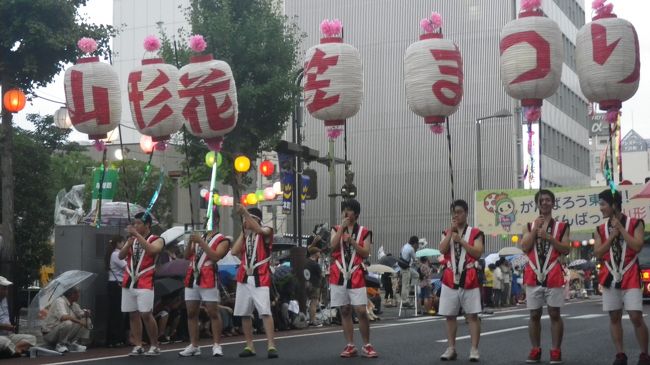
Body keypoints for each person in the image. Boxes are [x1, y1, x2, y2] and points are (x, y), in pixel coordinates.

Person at [594, 189, 650, 365]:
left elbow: (637, 246)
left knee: (635, 316)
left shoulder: (636, 223)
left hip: (630, 274)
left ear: (613, 205)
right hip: (610, 275)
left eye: (603, 204)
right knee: (614, 316)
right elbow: (598, 252)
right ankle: (620, 354)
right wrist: (612, 236)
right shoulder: (600, 229)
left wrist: (621, 230)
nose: (600, 208)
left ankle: (644, 354)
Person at [521, 189, 570, 364]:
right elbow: (524, 247)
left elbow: (566, 248)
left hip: (553, 272)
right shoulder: (529, 225)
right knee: (534, 314)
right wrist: (535, 230)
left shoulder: (561, 226)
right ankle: (535, 349)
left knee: (554, 313)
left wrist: (549, 237)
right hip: (533, 273)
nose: (545, 203)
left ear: (553, 203)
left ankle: (555, 350)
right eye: (541, 200)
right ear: (537, 204)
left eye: (548, 200)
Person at [330, 199, 377, 358]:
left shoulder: (364, 231)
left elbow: (365, 253)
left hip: (356, 272)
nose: (346, 213)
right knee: (344, 310)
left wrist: (351, 241)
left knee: (361, 311)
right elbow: (332, 246)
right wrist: (341, 229)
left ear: (356, 214)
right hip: (339, 272)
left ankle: (367, 344)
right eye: (344, 210)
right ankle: (350, 345)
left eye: (349, 210)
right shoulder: (336, 229)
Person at [438, 199, 484, 362]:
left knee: (472, 315)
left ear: (466, 213)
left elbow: (478, 253)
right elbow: (442, 250)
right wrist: (450, 234)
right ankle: (451, 348)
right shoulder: (447, 232)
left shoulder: (476, 233)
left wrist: (462, 241)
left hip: (469, 275)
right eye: (454, 212)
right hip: (450, 277)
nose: (456, 215)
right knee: (449, 315)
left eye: (459, 212)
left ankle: (474, 349)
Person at [231, 206, 278, 359]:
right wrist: (243, 232)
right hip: (244, 276)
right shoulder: (246, 235)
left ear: (256, 219)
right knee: (244, 312)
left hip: (260, 276)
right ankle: (249, 345)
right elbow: (234, 251)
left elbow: (261, 231)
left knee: (265, 311)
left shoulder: (266, 230)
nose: (245, 221)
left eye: (248, 218)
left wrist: (246, 214)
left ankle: (271, 345)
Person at [118, 212, 164, 356]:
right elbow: (121, 256)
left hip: (145, 280)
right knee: (133, 314)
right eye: (135, 223)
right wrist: (128, 244)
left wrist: (136, 236)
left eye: (138, 223)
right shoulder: (132, 239)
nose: (135, 226)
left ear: (147, 225)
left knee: (146, 313)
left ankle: (154, 345)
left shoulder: (157, 239)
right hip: (129, 280)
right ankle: (138, 345)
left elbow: (152, 250)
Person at [179, 231, 230, 357]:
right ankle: (194, 345)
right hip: (192, 276)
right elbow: (186, 256)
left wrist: (201, 242)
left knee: (213, 312)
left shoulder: (222, 240)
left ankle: (217, 344)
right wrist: (191, 241)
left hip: (208, 276)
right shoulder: (199, 237)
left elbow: (215, 256)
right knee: (191, 313)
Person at [42, 287, 91, 353]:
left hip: (61, 332)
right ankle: (60, 345)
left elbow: (80, 314)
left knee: (86, 320)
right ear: (72, 295)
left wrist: (86, 313)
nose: (79, 295)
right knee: (67, 323)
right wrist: (79, 321)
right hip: (49, 334)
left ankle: (73, 343)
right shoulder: (59, 301)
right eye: (78, 293)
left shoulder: (74, 304)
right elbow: (63, 317)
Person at [0, 276, 38, 357]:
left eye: (6, 288)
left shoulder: (4, 300)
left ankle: (14, 350)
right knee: (4, 342)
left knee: (32, 338)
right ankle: (14, 350)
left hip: (8, 335)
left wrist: (10, 327)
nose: (6, 291)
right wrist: (4, 327)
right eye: (4, 288)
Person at [105, 235, 127, 347]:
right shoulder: (116, 254)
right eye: (123, 242)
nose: (124, 245)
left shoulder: (113, 254)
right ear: (118, 243)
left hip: (114, 284)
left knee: (115, 312)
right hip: (116, 284)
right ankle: (114, 339)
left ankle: (114, 339)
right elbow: (127, 267)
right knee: (116, 313)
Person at [398, 236, 419, 307]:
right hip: (405, 268)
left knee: (416, 275)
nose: (417, 246)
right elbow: (415, 259)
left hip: (403, 266)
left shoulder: (405, 246)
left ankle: (412, 288)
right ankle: (405, 301)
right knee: (405, 284)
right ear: (415, 243)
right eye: (417, 244)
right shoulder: (411, 249)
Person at [305, 246, 323, 327]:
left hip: (306, 284)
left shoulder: (306, 262)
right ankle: (313, 320)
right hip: (314, 285)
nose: (319, 254)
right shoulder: (315, 264)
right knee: (314, 303)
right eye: (319, 252)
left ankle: (308, 319)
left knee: (307, 302)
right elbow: (321, 275)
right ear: (315, 254)